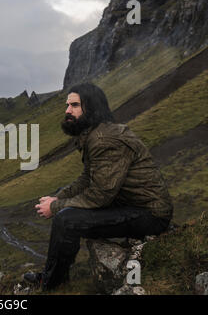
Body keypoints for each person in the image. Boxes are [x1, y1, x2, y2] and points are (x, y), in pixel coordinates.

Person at [24, 83, 173, 291]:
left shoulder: (105, 140)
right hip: (128, 205)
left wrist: (56, 208)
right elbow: (87, 179)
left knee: (66, 219)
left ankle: (52, 284)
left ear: (91, 108)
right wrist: (59, 198)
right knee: (66, 214)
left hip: (150, 215)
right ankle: (56, 276)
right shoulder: (93, 135)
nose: (67, 111)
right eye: (67, 105)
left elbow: (100, 195)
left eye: (74, 105)